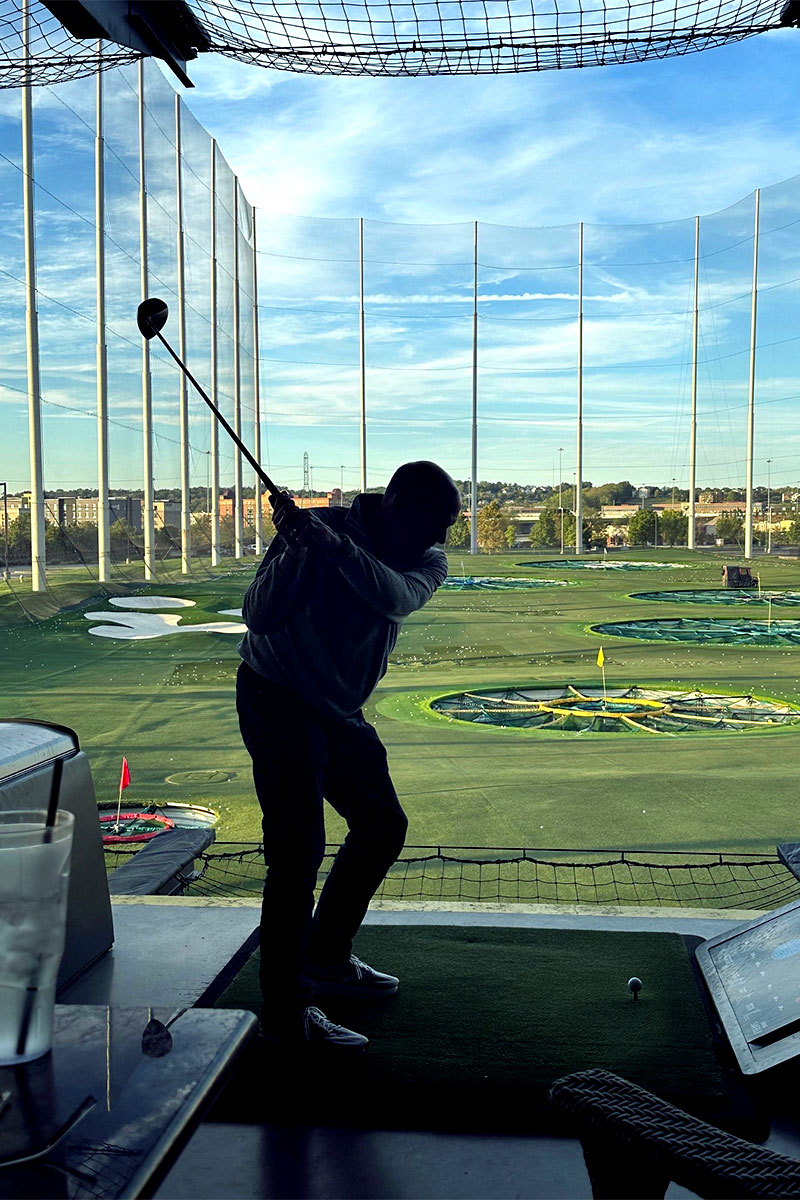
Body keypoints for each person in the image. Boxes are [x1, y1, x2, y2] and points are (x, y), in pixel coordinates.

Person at [237, 461, 461, 1051]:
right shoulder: (311, 532)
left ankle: (327, 960)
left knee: (382, 825)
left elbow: (393, 597)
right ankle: (286, 1014)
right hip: (278, 696)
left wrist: (330, 546)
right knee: (297, 851)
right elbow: (257, 615)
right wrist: (294, 550)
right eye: (432, 524)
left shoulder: (422, 561)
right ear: (393, 505)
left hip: (336, 707)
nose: (439, 540)